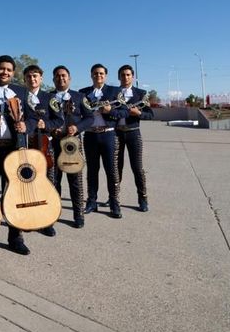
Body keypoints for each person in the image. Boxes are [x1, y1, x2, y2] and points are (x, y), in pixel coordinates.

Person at [0, 56, 35, 255]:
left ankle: (15, 237)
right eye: (1, 69)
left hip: (14, 149)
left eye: (9, 70)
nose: (5, 72)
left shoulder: (21, 92)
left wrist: (26, 125)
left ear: (13, 73)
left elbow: (34, 117)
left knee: (14, 195)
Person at [79, 64, 127, 218]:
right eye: (95, 73)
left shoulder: (114, 91)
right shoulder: (83, 93)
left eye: (101, 73)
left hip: (108, 135)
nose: (98, 76)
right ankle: (91, 201)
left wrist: (110, 110)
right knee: (92, 170)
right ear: (91, 75)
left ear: (105, 75)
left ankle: (114, 203)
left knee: (111, 170)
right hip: (90, 135)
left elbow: (124, 112)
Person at [48, 65, 92, 228]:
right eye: (57, 76)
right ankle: (53, 215)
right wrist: (51, 127)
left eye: (64, 75)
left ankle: (78, 215)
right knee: (53, 181)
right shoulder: (47, 97)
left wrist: (78, 127)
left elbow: (89, 118)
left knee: (75, 181)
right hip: (54, 143)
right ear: (53, 79)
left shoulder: (80, 97)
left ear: (69, 78)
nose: (61, 78)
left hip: (73, 144)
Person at [22, 64, 64, 235]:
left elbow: (59, 120)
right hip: (26, 146)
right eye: (29, 76)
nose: (32, 79)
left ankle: (48, 221)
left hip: (45, 147)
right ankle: (30, 218)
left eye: (35, 76)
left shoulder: (49, 98)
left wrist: (45, 124)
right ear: (24, 79)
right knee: (27, 185)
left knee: (48, 184)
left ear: (41, 78)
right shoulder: (20, 97)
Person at [115, 64, 154, 213]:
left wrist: (138, 114)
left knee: (137, 168)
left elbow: (150, 115)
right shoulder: (113, 93)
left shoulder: (141, 94)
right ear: (119, 77)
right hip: (117, 134)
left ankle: (143, 198)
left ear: (133, 77)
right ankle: (114, 197)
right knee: (116, 168)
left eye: (128, 75)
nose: (125, 77)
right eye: (123, 75)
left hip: (133, 133)